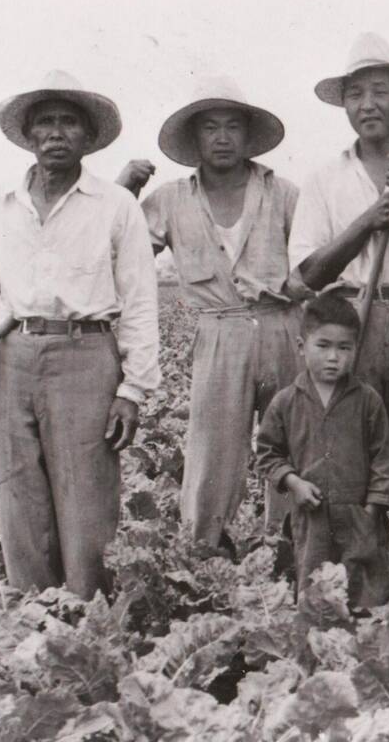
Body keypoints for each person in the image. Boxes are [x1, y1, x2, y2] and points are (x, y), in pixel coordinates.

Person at [0, 70, 160, 598]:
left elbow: (138, 303)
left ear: (88, 138)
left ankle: (89, 620)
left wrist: (132, 390)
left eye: (68, 122)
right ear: (29, 135)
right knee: (16, 496)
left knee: (87, 500)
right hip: (7, 356)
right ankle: (32, 616)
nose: (56, 133)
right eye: (45, 122)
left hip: (86, 355)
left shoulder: (116, 205)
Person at [141, 76, 305, 545]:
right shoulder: (170, 199)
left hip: (282, 326)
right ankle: (204, 551)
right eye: (210, 127)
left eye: (233, 126)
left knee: (292, 440)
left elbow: (316, 262)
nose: (222, 137)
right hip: (217, 332)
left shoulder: (283, 193)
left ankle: (290, 546)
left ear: (248, 135)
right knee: (213, 451)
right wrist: (123, 188)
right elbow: (119, 254)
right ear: (195, 138)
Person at [288, 32, 389, 544]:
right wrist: (369, 220)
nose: (367, 104)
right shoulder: (324, 179)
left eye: (380, 91)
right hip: (352, 322)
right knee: (351, 447)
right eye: (355, 94)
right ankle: (358, 566)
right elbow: (308, 273)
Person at [256, 293, 389, 607]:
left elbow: (384, 459)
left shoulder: (367, 400)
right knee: (314, 592)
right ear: (302, 346)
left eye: (344, 348)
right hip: (311, 516)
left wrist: (372, 510)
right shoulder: (286, 402)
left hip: (359, 514)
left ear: (356, 349)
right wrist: (293, 482)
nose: (334, 357)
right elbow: (267, 452)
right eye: (323, 346)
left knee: (365, 592)